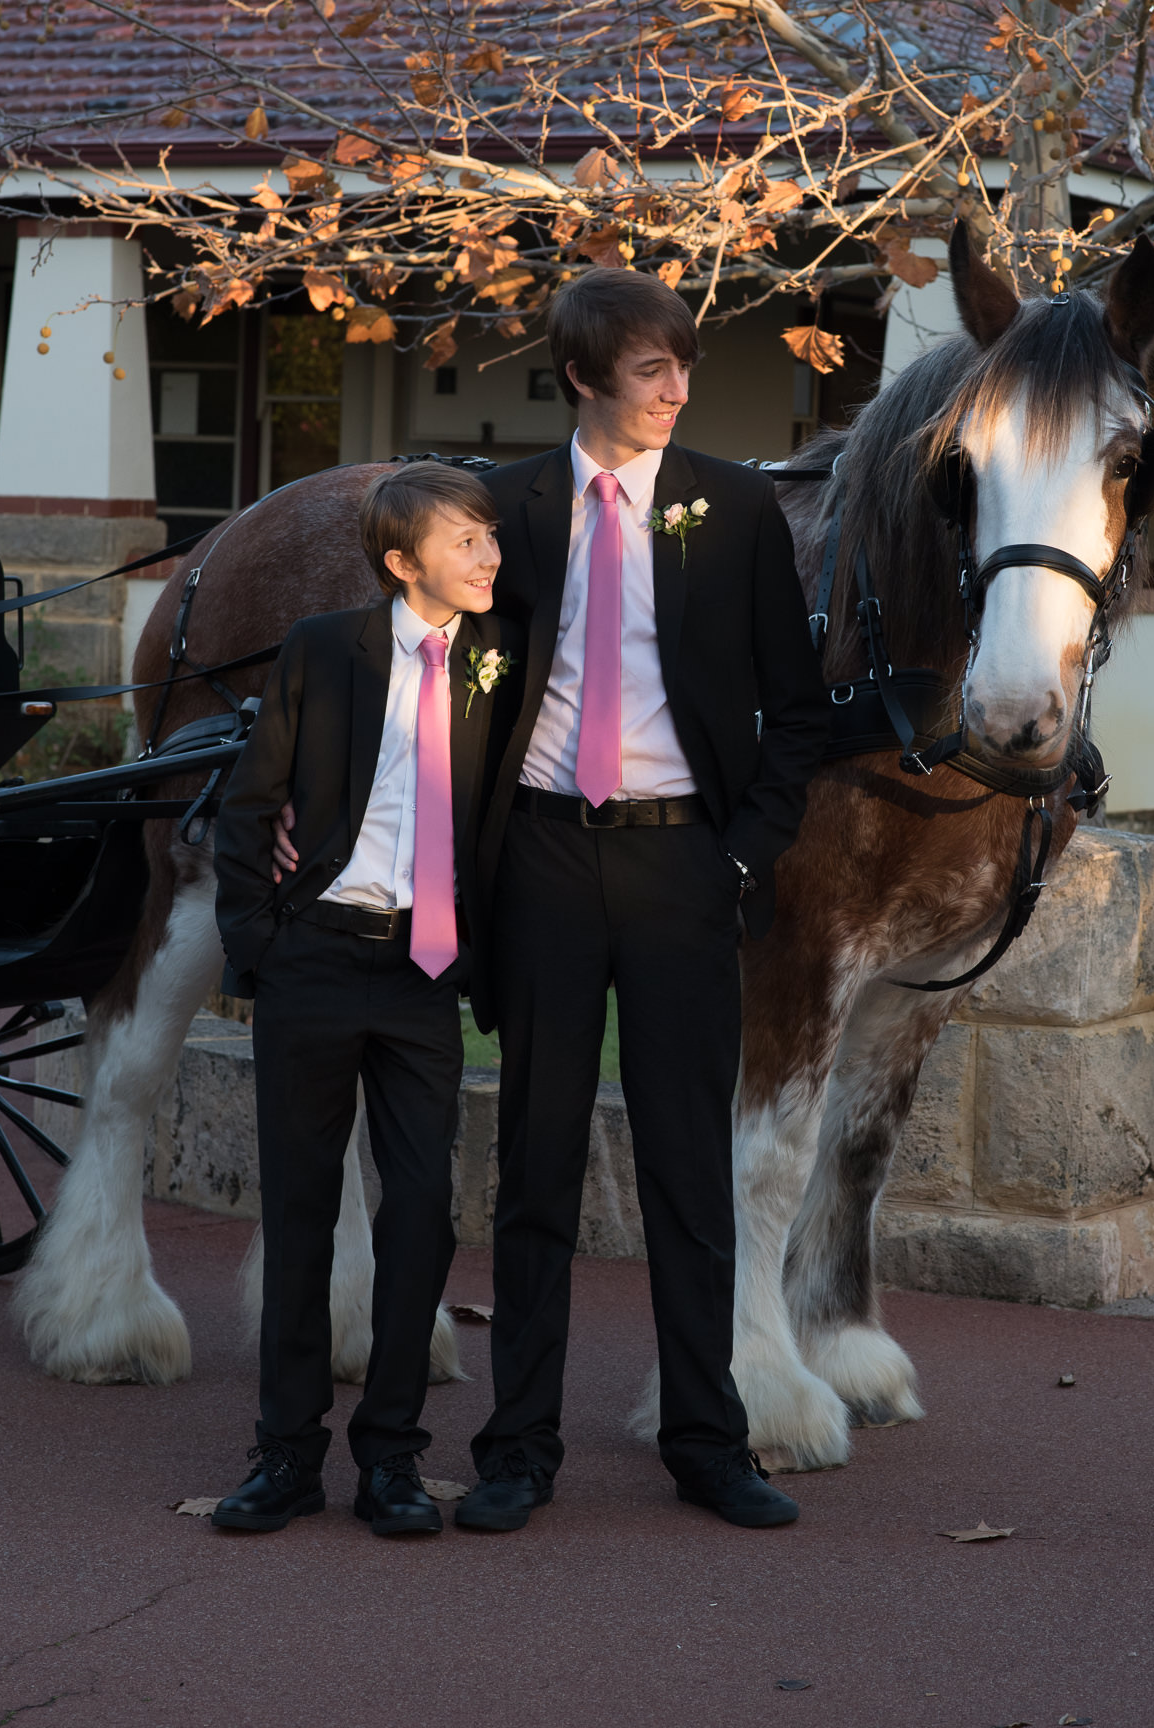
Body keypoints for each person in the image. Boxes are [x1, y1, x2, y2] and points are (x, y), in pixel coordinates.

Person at [456, 266, 830, 1533]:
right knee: (534, 1166)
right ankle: (517, 1448)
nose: (677, 389)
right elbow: (453, 703)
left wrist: (739, 856)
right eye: (651, 369)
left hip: (685, 867)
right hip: (545, 867)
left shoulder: (733, 509)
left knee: (686, 1165)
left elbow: (800, 711)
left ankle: (706, 1441)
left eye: (684, 366)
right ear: (582, 378)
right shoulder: (502, 509)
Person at [211, 460, 519, 1537]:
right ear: (401, 562)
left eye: (489, 535)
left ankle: (390, 1456)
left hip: (425, 972)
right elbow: (250, 806)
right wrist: (260, 946)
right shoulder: (322, 650)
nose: (488, 554)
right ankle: (285, 1455)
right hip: (316, 957)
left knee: (423, 1214)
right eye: (465, 539)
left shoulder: (502, 663)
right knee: (301, 1213)